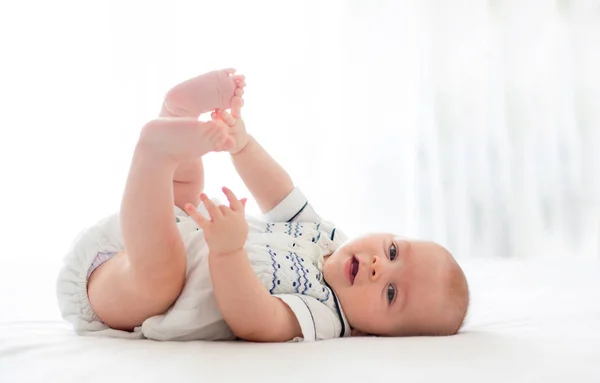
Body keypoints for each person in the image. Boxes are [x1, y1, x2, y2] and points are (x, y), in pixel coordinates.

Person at [56, 69, 469, 342]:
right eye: (393, 251)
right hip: (170, 227)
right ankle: (177, 115)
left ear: (378, 334)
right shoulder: (327, 238)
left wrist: (228, 251)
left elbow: (254, 318)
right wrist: (243, 146)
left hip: (134, 295)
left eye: (392, 293)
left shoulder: (325, 315)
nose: (380, 267)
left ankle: (154, 153)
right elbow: (281, 194)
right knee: (187, 189)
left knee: (161, 274)